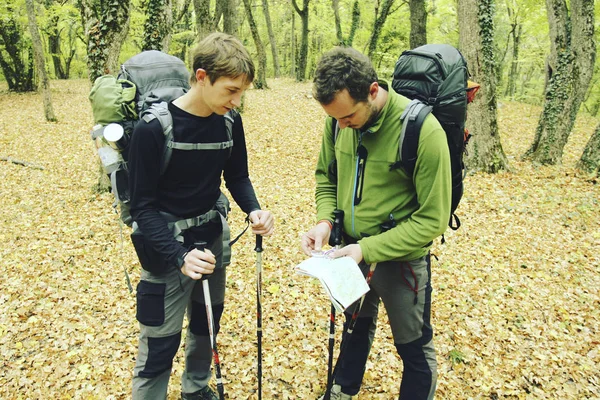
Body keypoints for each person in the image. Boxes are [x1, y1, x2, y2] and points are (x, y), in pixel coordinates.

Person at [128, 32, 275, 400]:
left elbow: (237, 176)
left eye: (242, 91)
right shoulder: (152, 129)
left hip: (211, 242)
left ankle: (195, 390)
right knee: (159, 344)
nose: (236, 100)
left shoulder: (229, 122)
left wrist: (253, 209)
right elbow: (141, 206)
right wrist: (178, 256)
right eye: (230, 90)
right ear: (201, 76)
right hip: (166, 249)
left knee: (207, 327)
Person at [301, 46, 451, 400]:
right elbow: (327, 177)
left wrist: (366, 249)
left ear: (372, 91)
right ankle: (341, 390)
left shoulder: (423, 132)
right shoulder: (338, 122)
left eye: (348, 116)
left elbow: (432, 219)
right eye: (334, 118)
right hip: (349, 251)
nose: (341, 126)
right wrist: (324, 222)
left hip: (401, 261)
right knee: (354, 327)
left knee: (413, 346)